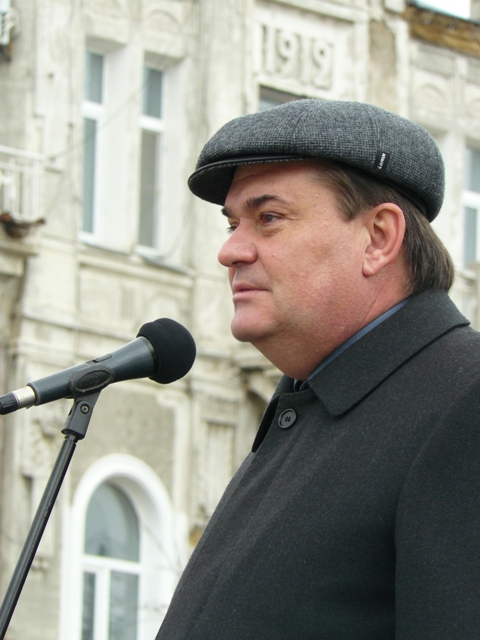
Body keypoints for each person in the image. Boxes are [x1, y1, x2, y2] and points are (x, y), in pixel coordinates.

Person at [155, 100, 480, 639]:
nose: (230, 251)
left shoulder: (464, 401)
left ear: (378, 238)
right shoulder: (309, 402)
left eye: (268, 218)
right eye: (233, 223)